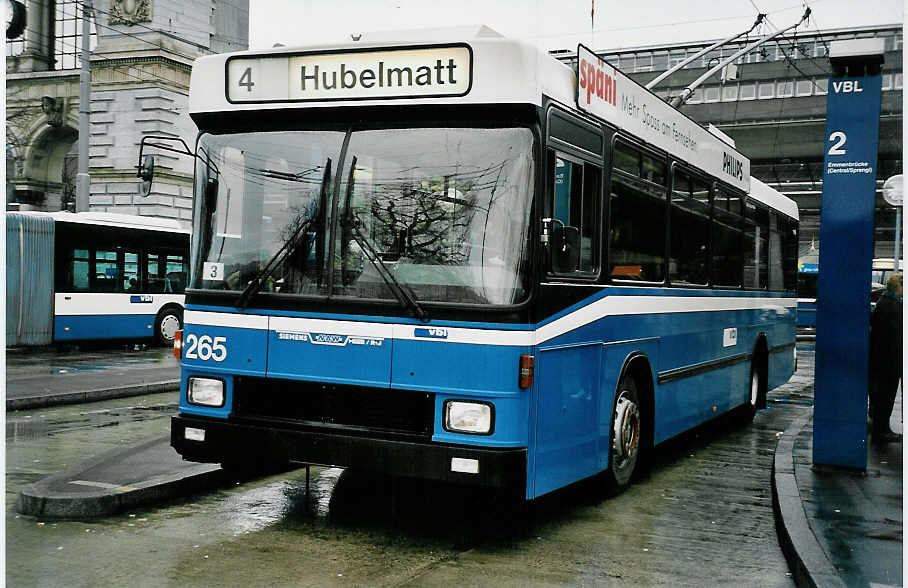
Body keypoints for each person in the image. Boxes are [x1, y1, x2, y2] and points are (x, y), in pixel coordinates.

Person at [869, 273, 903, 443]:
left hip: (884, 361)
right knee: (885, 398)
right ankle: (881, 431)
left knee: (883, 398)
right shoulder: (891, 305)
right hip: (888, 362)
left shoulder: (886, 302)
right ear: (898, 287)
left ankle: (882, 429)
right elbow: (894, 336)